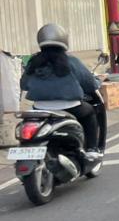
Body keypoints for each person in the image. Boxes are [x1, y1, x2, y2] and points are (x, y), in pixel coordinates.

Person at [19, 23, 104, 158]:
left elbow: (24, 85)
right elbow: (89, 83)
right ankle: (92, 148)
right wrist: (98, 81)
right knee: (89, 113)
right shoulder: (71, 61)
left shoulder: (34, 62)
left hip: (40, 109)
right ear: (63, 40)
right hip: (70, 108)